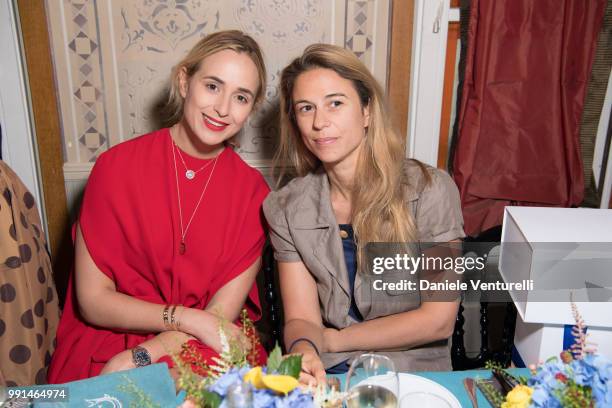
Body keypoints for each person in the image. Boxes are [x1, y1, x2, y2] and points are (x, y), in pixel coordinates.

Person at [48, 30, 270, 383]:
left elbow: (218, 318)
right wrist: (184, 317)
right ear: (184, 81)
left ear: (251, 108)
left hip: (200, 346)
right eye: (212, 86)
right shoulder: (115, 168)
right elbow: (92, 300)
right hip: (112, 334)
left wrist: (149, 352)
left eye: (240, 97)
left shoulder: (253, 193)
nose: (223, 109)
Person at [263, 44, 465, 385]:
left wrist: (332, 340)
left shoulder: (431, 190)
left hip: (413, 373)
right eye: (306, 108)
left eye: (335, 103)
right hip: (329, 374)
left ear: (367, 111)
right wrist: (304, 348)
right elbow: (301, 317)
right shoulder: (284, 207)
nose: (320, 122)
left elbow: (438, 319)